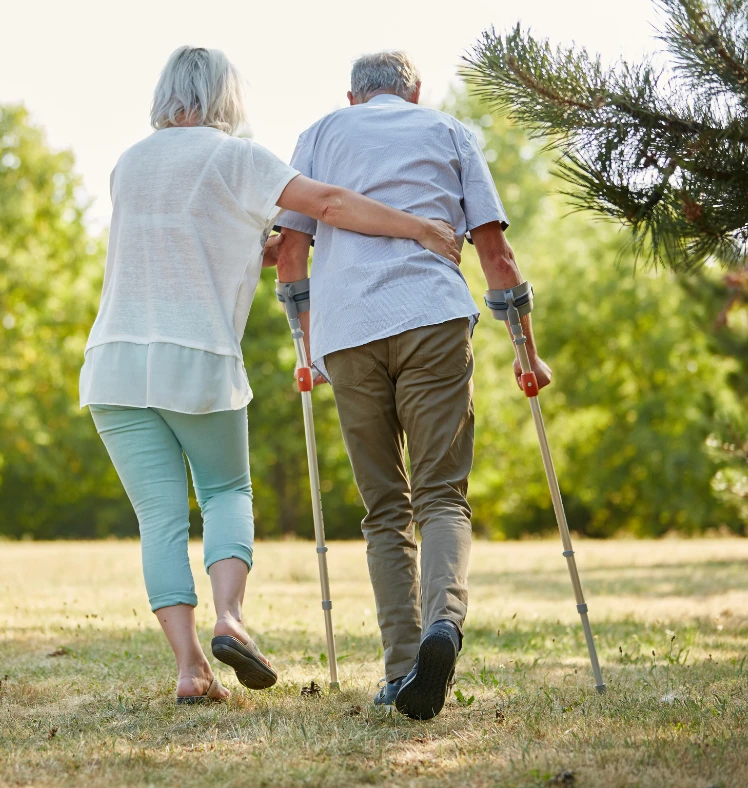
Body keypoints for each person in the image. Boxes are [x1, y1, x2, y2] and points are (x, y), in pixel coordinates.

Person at [79, 46, 461, 704]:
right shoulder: (238, 158)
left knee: (160, 519)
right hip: (196, 360)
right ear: (226, 96)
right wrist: (419, 229)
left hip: (112, 363)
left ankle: (191, 668)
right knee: (227, 492)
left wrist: (261, 251)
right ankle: (230, 619)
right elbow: (332, 205)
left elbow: (188, 243)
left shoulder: (128, 163)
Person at [274, 51, 553, 719]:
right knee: (442, 498)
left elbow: (290, 254)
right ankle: (443, 627)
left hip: (348, 332)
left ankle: (402, 672)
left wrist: (304, 348)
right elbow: (495, 253)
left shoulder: (318, 135)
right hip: (432, 317)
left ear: (352, 97)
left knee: (385, 510)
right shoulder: (450, 131)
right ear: (416, 91)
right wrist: (526, 352)